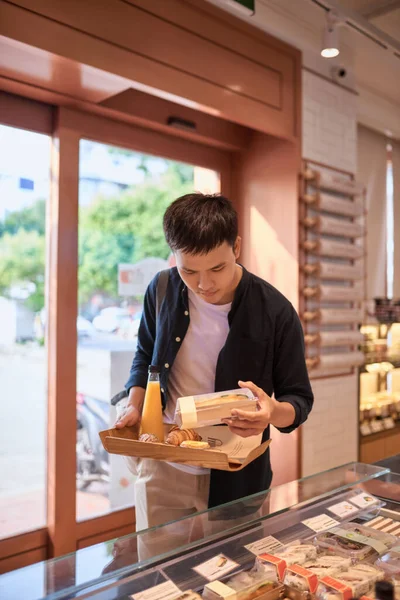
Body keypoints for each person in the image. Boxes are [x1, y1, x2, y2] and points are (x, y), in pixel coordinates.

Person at [115, 192, 313, 538]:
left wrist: (270, 413)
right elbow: (145, 356)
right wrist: (134, 406)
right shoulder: (161, 289)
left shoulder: (276, 311)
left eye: (217, 268)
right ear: (173, 255)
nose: (204, 284)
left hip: (236, 476)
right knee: (159, 584)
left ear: (236, 247)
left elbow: (299, 400)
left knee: (231, 584)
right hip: (164, 465)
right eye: (189, 270)